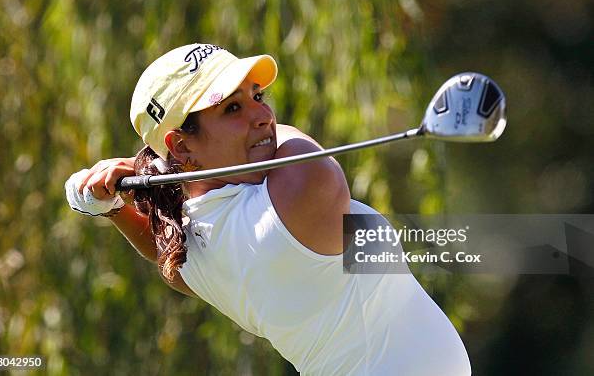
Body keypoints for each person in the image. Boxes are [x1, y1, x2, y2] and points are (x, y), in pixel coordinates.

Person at [65, 43, 471, 375]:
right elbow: (292, 146)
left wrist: (115, 205)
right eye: (232, 108)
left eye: (257, 96)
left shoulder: (190, 247)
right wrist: (143, 177)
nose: (263, 116)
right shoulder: (300, 187)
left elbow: (162, 249)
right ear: (181, 145)